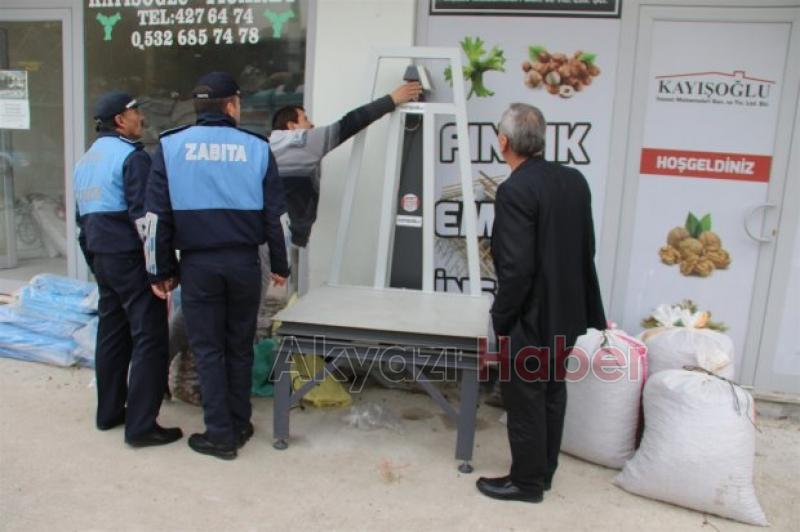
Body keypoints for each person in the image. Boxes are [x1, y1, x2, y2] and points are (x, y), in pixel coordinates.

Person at [144, 72, 289, 460]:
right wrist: (281, 263)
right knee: (240, 346)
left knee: (208, 349)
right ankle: (239, 424)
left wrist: (160, 270)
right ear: (231, 105)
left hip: (199, 265)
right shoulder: (257, 147)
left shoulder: (171, 146)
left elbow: (156, 218)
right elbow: (276, 216)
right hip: (244, 263)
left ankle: (219, 434)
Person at [477, 103, 606, 503]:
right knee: (551, 391)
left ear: (503, 141)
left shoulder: (515, 189)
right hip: (568, 312)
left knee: (525, 398)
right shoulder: (574, 180)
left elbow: (516, 269)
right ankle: (544, 473)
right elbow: (588, 248)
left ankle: (527, 483)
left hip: (531, 318)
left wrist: (501, 319)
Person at [73, 91, 181, 447]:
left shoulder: (85, 161)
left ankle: (109, 413)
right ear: (120, 120)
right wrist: (160, 270)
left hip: (103, 257)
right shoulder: (133, 157)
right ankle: (141, 426)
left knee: (112, 335)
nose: (141, 118)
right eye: (136, 112)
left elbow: (81, 221)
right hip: (131, 258)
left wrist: (95, 262)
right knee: (150, 339)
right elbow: (145, 219)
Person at [269, 81, 423, 248]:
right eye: (305, 119)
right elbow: (350, 123)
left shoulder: (268, 145)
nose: (312, 125)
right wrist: (392, 99)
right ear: (292, 126)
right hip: (281, 233)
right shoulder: (302, 140)